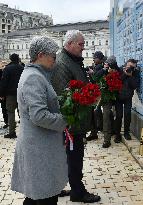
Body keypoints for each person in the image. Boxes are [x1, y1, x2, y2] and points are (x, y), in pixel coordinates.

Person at [11, 36, 68, 205]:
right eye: (53, 56)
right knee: (45, 196)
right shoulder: (34, 77)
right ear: (41, 55)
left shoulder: (36, 74)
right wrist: (66, 120)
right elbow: (39, 116)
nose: (55, 60)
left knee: (35, 196)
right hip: (39, 148)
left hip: (40, 146)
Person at [51, 30, 101, 203]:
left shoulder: (72, 60)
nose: (83, 47)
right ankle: (77, 192)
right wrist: (87, 97)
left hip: (77, 120)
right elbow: (64, 96)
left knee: (70, 157)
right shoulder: (62, 63)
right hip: (71, 123)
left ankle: (56, 187)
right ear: (69, 43)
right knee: (74, 157)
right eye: (80, 44)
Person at [114, 59, 140, 142]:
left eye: (133, 67)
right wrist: (125, 74)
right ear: (126, 65)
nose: (131, 68)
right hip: (118, 96)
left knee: (127, 114)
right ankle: (117, 134)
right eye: (129, 66)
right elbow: (117, 81)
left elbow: (135, 86)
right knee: (119, 115)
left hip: (128, 97)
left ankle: (126, 132)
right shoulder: (120, 70)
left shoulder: (135, 73)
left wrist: (131, 75)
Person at [0, 53, 23, 138]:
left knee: (10, 113)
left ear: (11, 59)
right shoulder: (22, 68)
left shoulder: (7, 69)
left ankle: (12, 132)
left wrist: (1, 94)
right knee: (22, 113)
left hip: (10, 94)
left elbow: (4, 82)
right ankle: (25, 132)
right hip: (21, 93)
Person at [87, 51, 106, 141]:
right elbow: (93, 80)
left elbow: (96, 78)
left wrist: (92, 73)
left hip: (100, 92)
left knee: (95, 111)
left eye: (95, 57)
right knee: (95, 111)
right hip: (96, 92)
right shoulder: (96, 66)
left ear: (100, 58)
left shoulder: (102, 67)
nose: (94, 59)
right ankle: (97, 129)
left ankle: (97, 129)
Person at [0, 63, 8, 128]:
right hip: (3, 93)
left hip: (3, 93)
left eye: (4, 65)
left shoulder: (5, 72)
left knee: (4, 108)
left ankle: (7, 122)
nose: (3, 67)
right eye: (2, 65)